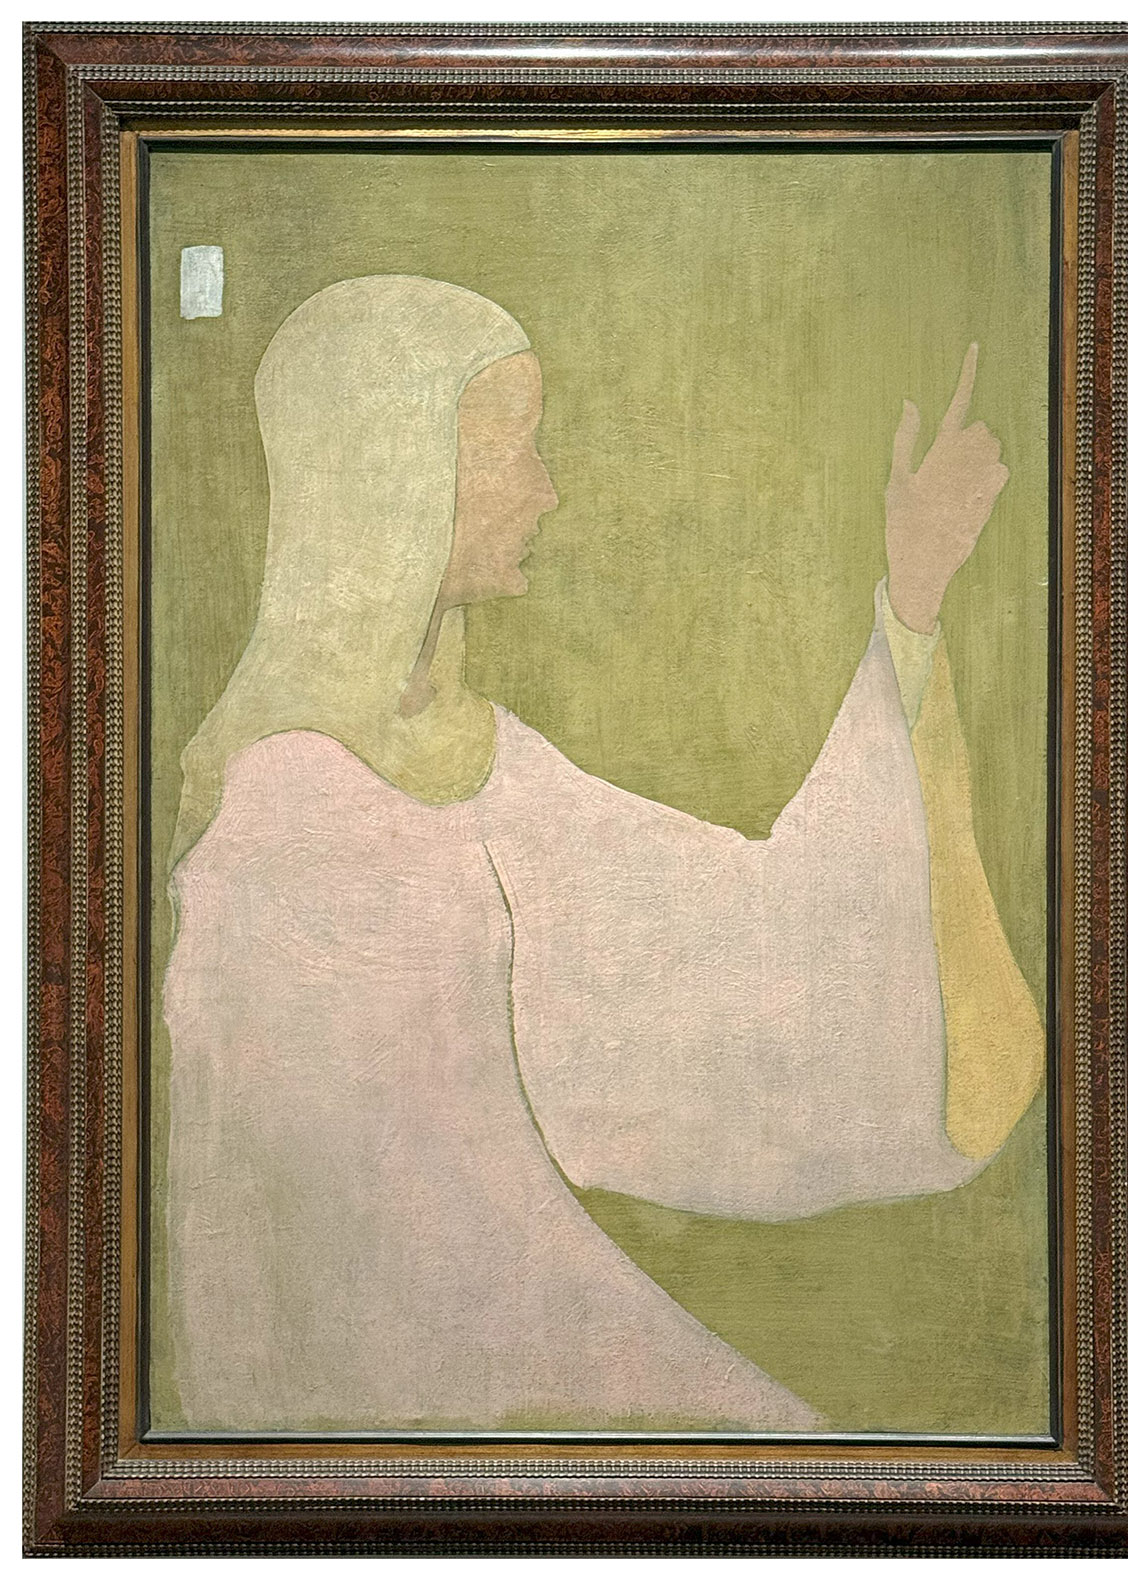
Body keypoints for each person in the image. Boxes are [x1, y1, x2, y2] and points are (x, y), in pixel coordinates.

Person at [161, 275, 1043, 1434]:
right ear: (393, 474)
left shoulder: (487, 763)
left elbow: (762, 934)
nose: (547, 489)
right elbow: (319, 1261)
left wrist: (913, 602)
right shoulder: (272, 821)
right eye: (511, 449)